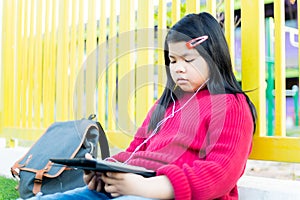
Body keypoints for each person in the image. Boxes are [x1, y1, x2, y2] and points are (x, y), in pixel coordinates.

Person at [27, 12, 256, 200]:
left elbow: (220, 174)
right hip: (129, 188)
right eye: (173, 60)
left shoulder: (230, 105)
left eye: (188, 59)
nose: (178, 68)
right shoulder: (165, 105)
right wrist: (106, 170)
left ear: (214, 57)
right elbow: (135, 150)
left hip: (166, 194)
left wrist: (143, 188)